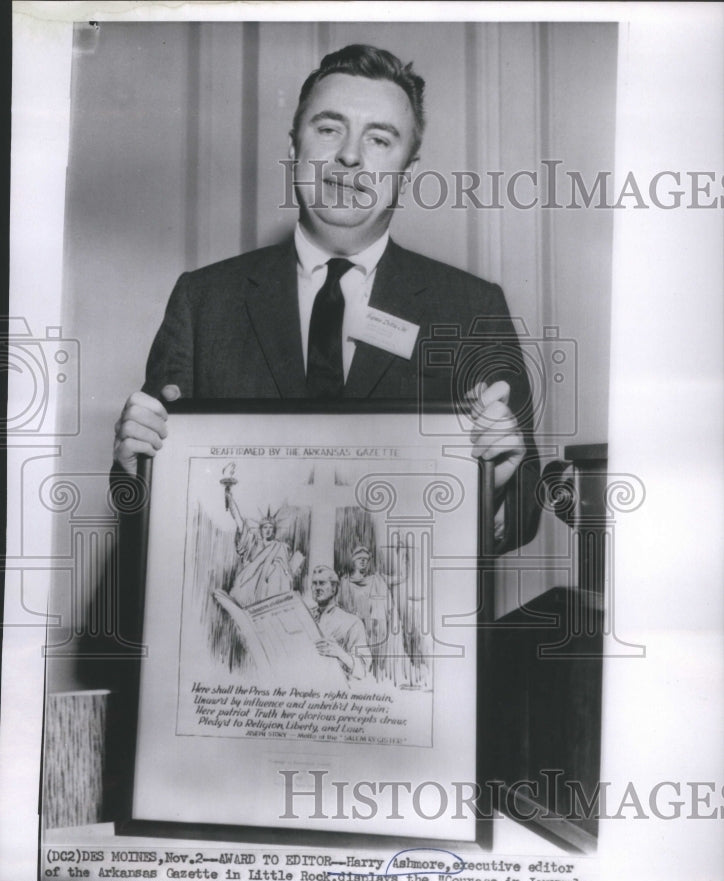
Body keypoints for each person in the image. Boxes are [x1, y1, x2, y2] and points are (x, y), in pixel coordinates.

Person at [112, 44, 540, 554]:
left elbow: (524, 515)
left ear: (408, 168)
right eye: (329, 128)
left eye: (380, 139)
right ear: (295, 148)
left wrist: (493, 485)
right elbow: (145, 521)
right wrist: (136, 473)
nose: (351, 156)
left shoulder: (473, 308)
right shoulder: (203, 301)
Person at [338, 544, 411, 684]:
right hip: (357, 632)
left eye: (366, 558)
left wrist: (403, 556)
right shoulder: (345, 583)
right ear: (353, 560)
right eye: (360, 558)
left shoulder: (378, 579)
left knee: (377, 669)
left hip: (377, 632)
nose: (363, 561)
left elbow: (402, 577)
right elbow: (339, 607)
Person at [310, 565, 371, 681]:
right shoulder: (305, 617)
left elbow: (363, 670)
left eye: (322, 583)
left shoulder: (352, 622)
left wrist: (339, 653)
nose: (317, 588)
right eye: (314, 583)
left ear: (334, 588)